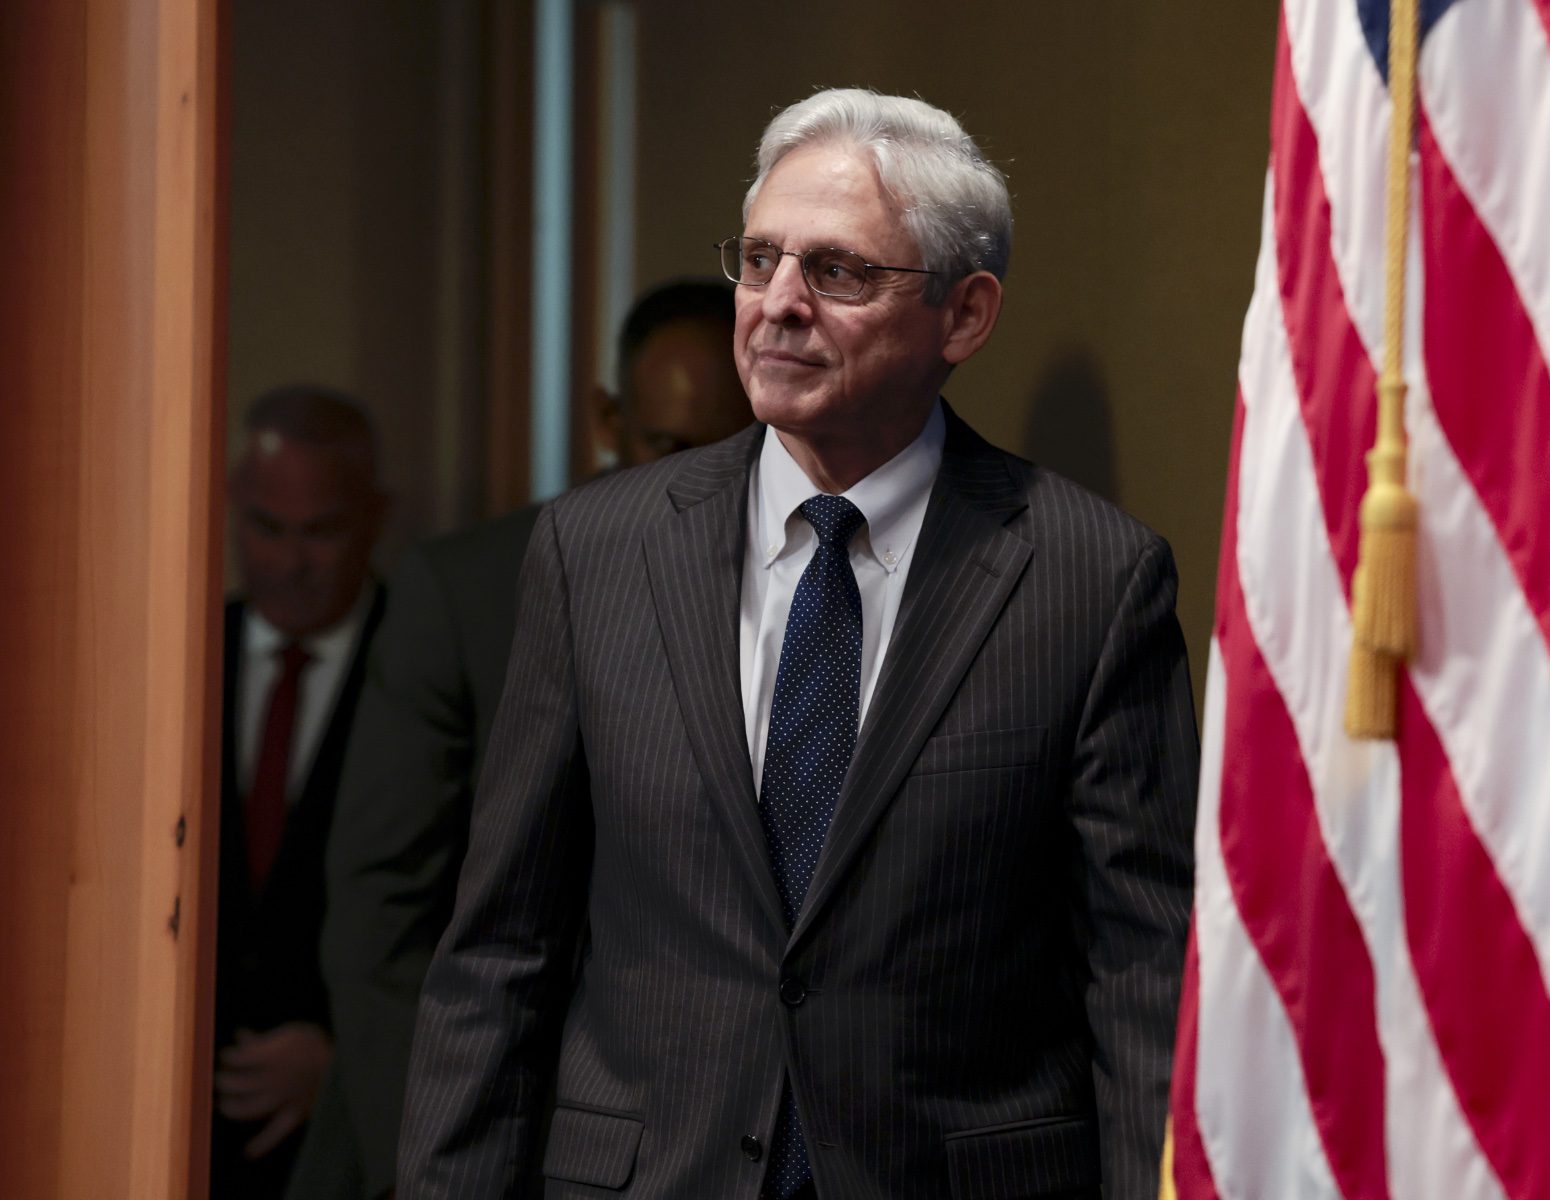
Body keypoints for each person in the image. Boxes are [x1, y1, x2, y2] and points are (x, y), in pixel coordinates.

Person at [398, 88, 1197, 1199]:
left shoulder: (1089, 577)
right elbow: (500, 955)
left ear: (964, 316)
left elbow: (1138, 975)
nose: (776, 306)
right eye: (760, 258)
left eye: (838, 272)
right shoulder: (597, 551)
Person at [289, 280, 754, 1200]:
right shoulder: (468, 594)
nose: (692, 482)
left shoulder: (805, 601)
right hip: (470, 1130)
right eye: (665, 444)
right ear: (609, 420)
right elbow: (380, 913)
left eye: (727, 451)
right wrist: (447, 1160)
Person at [214, 386, 388, 1197]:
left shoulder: (424, 663)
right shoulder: (181, 652)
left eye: (320, 531)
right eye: (266, 528)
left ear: (374, 518)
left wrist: (353, 1056)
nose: (290, 561)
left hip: (347, 1146)